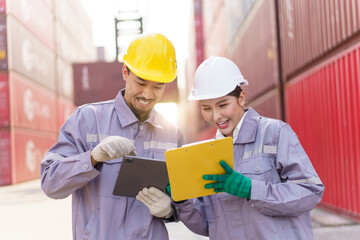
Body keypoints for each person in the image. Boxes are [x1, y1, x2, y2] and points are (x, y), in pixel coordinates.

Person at [41, 33, 183, 240]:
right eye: (141, 82)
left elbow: (188, 203)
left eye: (158, 86)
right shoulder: (87, 120)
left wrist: (170, 211)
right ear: (125, 72)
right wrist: (92, 158)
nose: (148, 94)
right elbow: (50, 183)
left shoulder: (172, 134)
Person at [175, 56, 325, 239]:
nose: (216, 116)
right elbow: (209, 224)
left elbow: (310, 192)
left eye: (223, 105)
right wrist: (183, 201)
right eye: (206, 108)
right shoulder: (206, 154)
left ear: (241, 98)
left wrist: (251, 190)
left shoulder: (275, 134)